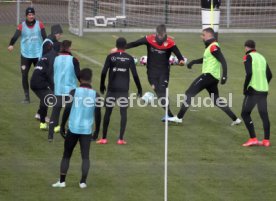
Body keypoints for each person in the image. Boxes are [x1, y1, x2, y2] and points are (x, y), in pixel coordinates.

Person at [168, 27, 241, 126]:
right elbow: (205, 59)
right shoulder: (210, 47)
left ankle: (179, 117)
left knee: (189, 92)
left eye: (203, 35)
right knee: (216, 100)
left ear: (209, 35)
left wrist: (224, 76)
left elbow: (223, 60)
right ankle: (236, 119)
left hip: (209, 76)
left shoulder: (213, 47)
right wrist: (194, 62)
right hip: (212, 78)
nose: (201, 37)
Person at [112, 24, 185, 121]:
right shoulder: (149, 39)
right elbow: (134, 43)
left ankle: (170, 116)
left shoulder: (171, 43)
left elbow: (180, 57)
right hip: (151, 72)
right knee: (159, 92)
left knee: (161, 91)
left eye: (161, 36)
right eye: (158, 35)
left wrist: (181, 61)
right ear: (156, 33)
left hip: (164, 72)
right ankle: (170, 115)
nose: (160, 37)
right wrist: (119, 49)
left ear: (165, 34)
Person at [52, 68, 101, 188]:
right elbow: (98, 115)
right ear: (91, 79)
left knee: (67, 155)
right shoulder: (96, 95)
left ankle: (62, 181)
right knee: (85, 156)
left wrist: (62, 125)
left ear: (80, 79)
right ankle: (83, 182)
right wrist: (96, 132)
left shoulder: (73, 92)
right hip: (86, 130)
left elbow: (67, 109)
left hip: (73, 128)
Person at [96, 37, 142, 145]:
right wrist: (139, 88)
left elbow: (103, 72)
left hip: (112, 89)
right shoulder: (129, 58)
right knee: (123, 113)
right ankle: (120, 139)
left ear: (116, 46)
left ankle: (104, 138)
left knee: (108, 112)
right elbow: (135, 75)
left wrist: (102, 84)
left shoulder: (110, 57)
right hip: (123, 90)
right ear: (125, 46)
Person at [8, 7, 47, 103]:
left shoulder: (40, 24)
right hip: (25, 55)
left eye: (32, 14)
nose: (31, 16)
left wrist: (47, 49)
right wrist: (11, 45)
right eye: (29, 15)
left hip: (38, 55)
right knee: (24, 75)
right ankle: (26, 97)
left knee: (41, 75)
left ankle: (45, 96)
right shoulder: (22, 26)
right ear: (26, 16)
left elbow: (45, 37)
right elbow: (15, 36)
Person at [241, 40, 272, 147]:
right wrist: (263, 84)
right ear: (254, 47)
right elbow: (270, 74)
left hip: (253, 90)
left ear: (246, 48)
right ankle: (266, 140)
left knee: (245, 113)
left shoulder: (247, 57)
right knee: (264, 114)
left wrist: (245, 88)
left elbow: (249, 73)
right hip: (264, 90)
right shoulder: (262, 57)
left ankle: (253, 138)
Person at [48, 40, 80, 142]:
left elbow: (52, 73)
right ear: (69, 48)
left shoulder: (56, 59)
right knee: (72, 112)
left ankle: (50, 135)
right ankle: (70, 133)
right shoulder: (73, 60)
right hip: (70, 90)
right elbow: (78, 75)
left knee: (55, 112)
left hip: (58, 90)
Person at [31, 35, 59, 129]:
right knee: (51, 98)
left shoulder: (47, 55)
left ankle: (42, 120)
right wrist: (54, 88)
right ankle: (53, 123)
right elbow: (49, 74)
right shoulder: (53, 57)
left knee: (45, 99)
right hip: (40, 83)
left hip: (35, 81)